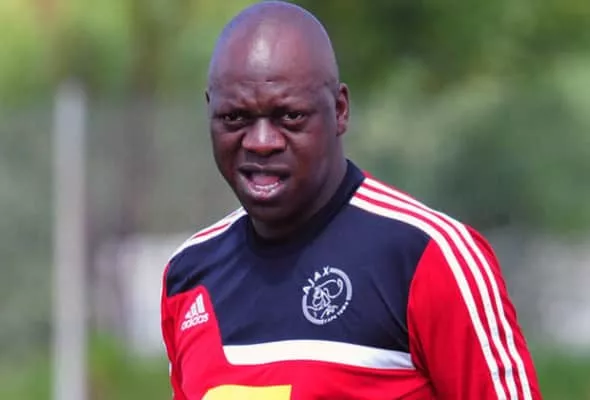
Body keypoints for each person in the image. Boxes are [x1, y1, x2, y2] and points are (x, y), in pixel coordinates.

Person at [160, 1, 542, 399]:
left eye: (289, 117)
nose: (261, 142)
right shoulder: (189, 274)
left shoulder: (428, 256)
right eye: (234, 118)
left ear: (339, 110)